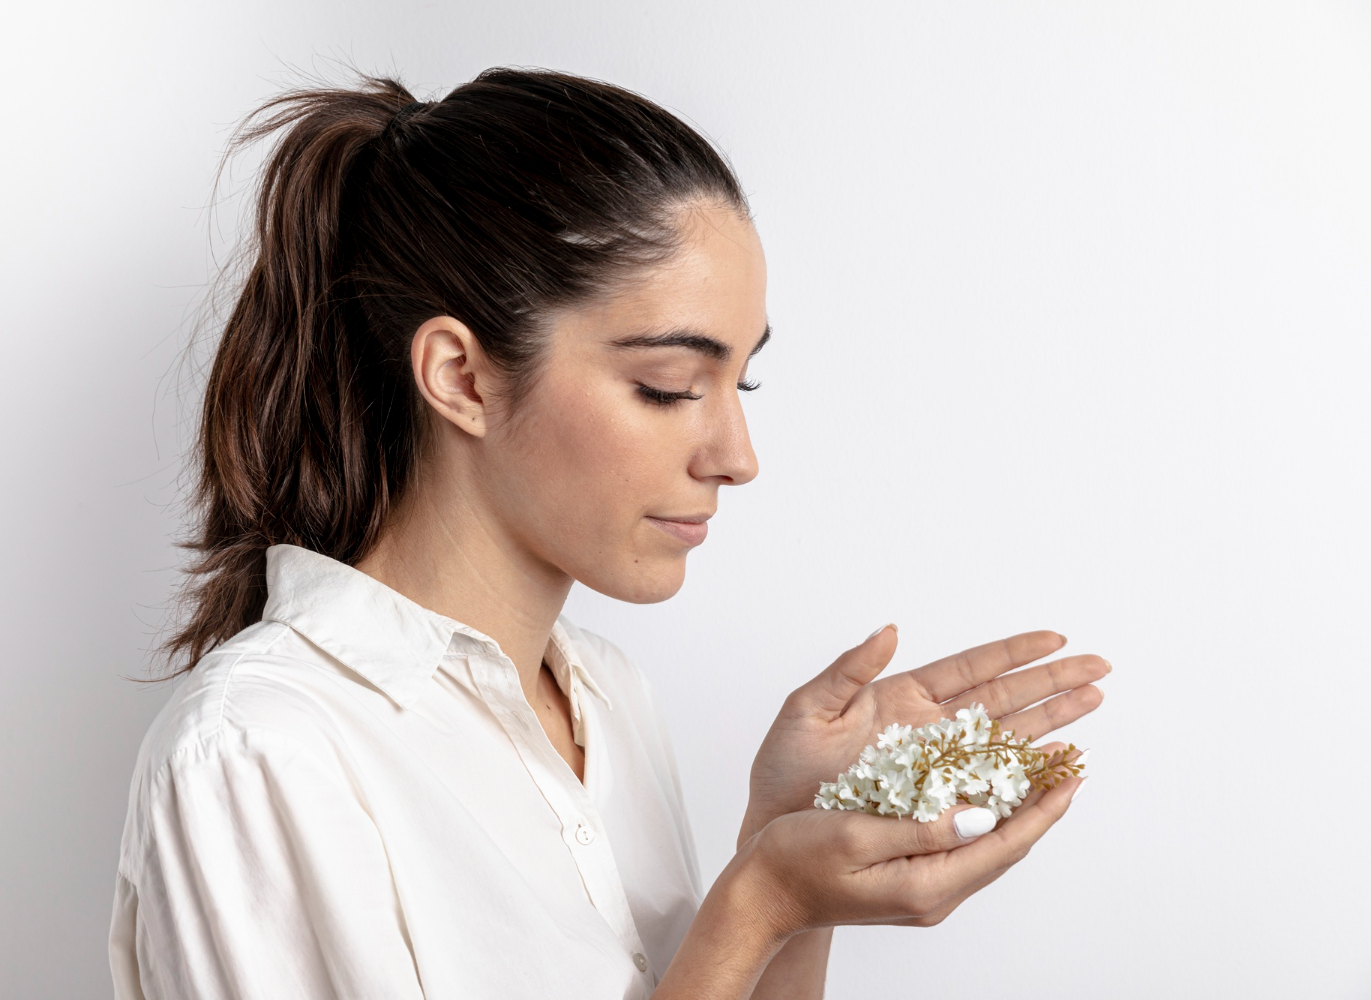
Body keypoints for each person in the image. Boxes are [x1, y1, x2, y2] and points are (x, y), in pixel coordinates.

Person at [108, 68, 1108, 999]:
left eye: (741, 381)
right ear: (461, 377)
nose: (737, 455)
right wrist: (756, 901)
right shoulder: (257, 752)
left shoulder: (609, 695)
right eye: (668, 386)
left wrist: (789, 854)